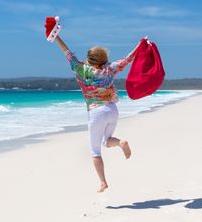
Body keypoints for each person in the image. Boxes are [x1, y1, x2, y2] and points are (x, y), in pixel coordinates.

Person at [53, 34, 141, 193]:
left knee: (95, 151)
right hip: (112, 110)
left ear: (90, 59)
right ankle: (121, 143)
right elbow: (128, 59)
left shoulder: (81, 69)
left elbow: (67, 52)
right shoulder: (110, 69)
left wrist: (56, 36)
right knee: (106, 141)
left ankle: (103, 182)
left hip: (96, 112)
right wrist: (140, 45)